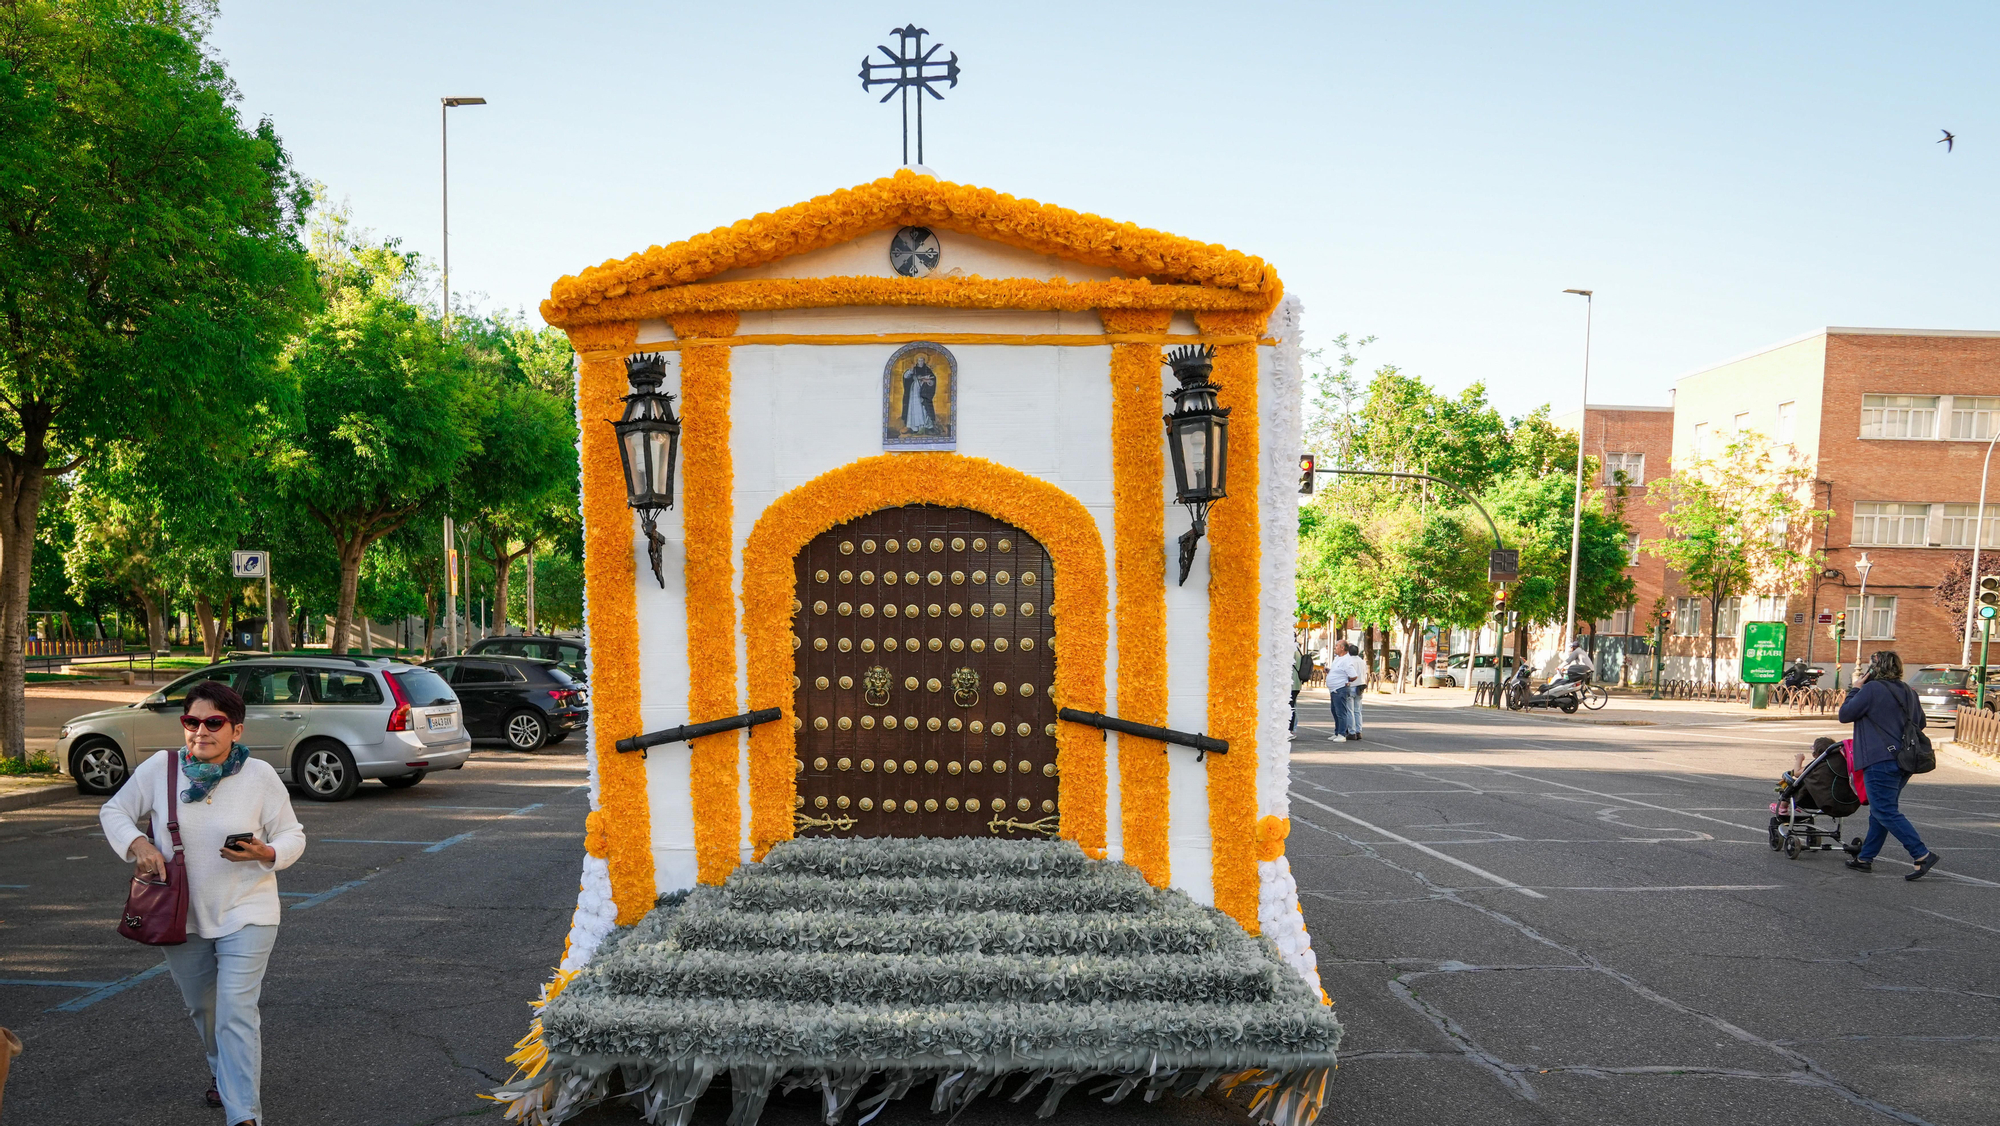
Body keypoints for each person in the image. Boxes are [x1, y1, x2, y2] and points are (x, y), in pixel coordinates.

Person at [101, 681, 306, 1126]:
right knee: (205, 1009)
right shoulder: (162, 768)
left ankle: (242, 1114)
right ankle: (224, 1074)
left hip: (247, 910)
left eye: (213, 722)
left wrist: (266, 852)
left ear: (236, 730)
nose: (200, 731)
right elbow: (113, 811)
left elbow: (293, 834)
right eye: (191, 721)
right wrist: (139, 844)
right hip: (180, 915)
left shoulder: (259, 776)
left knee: (235, 1009)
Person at [1835, 650, 1940, 880]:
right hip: (1904, 760)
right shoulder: (1908, 691)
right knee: (1880, 811)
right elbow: (1920, 722)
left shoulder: (1871, 689)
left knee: (1884, 810)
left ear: (1875, 669)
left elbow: (1845, 714)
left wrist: (1855, 688)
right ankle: (1865, 859)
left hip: (1879, 759)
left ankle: (1921, 854)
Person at [1334, 644, 1368, 741]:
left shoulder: (1349, 661)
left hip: (1351, 686)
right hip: (1360, 686)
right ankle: (1359, 730)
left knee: (1349, 710)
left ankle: (1352, 732)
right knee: (1358, 710)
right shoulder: (1362, 661)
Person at [1324, 639, 1355, 737]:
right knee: (1335, 711)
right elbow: (1339, 671)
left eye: (1337, 646)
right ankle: (1337, 732)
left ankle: (1342, 734)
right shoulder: (1338, 658)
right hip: (1334, 689)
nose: (1335, 648)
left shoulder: (1346, 660)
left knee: (1341, 712)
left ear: (1342, 648)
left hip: (1340, 689)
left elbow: (1353, 675)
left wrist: (1346, 681)